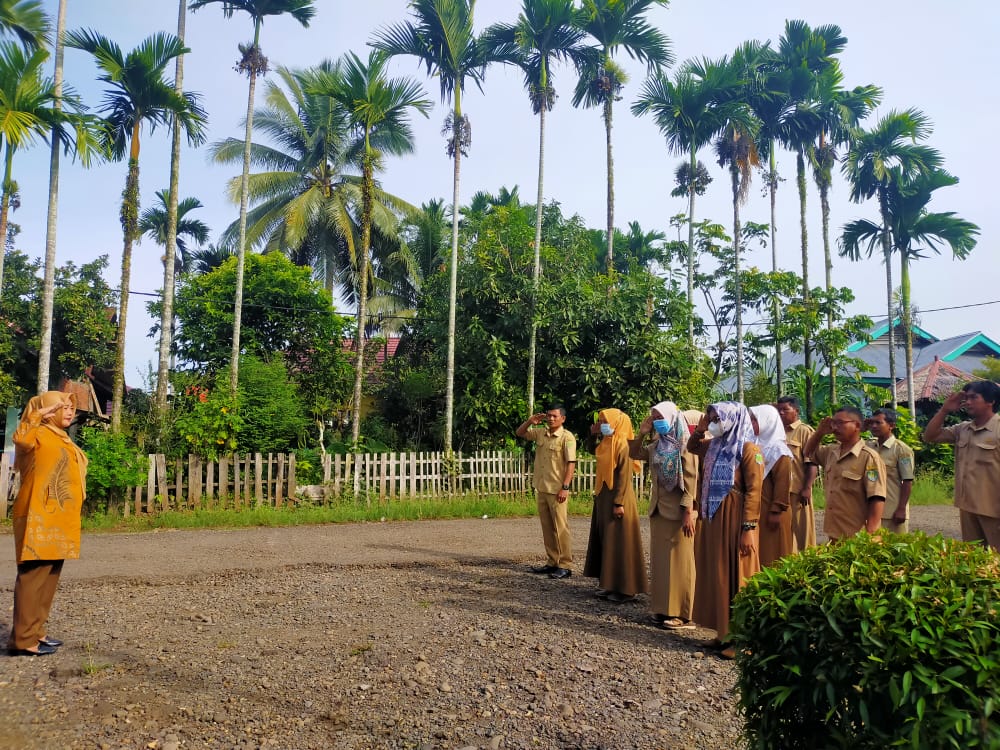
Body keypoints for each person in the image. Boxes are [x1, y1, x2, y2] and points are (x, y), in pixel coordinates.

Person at [7, 391, 87, 657]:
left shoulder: (59, 436)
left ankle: (36, 631)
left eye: (71, 407)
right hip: (38, 516)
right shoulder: (36, 432)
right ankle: (22, 640)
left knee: (50, 576)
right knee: (33, 575)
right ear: (48, 410)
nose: (70, 411)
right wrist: (37, 414)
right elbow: (20, 440)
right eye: (63, 407)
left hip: (58, 517)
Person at [687, 402, 762, 659]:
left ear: (733, 419)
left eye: (718, 419)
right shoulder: (714, 445)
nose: (714, 423)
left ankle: (741, 640)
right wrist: (700, 428)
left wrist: (748, 528)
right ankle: (722, 632)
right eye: (712, 418)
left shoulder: (748, 449)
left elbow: (754, 492)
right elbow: (692, 447)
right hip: (714, 516)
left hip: (735, 517)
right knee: (717, 572)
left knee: (736, 574)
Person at [630, 402, 697, 630]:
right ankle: (663, 609)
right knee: (661, 563)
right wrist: (642, 433)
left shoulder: (684, 445)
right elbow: (634, 453)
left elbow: (691, 480)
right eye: (654, 417)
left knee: (680, 563)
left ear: (671, 418)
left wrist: (688, 511)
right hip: (659, 510)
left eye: (660, 417)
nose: (657, 420)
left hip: (679, 513)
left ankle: (683, 614)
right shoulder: (657, 444)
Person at [922, 381, 1000, 550]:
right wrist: (944, 410)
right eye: (966, 398)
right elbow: (930, 436)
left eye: (974, 397)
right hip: (967, 508)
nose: (968, 402)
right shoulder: (963, 429)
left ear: (991, 401)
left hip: (994, 509)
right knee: (973, 557)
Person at [584, 408, 648, 603]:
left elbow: (623, 477)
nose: (602, 424)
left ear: (617, 423)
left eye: (605, 421)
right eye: (601, 421)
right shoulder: (607, 442)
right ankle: (610, 584)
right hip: (604, 496)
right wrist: (592, 435)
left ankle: (626, 589)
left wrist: (618, 503)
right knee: (607, 540)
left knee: (621, 542)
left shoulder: (623, 444)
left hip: (618, 498)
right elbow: (592, 450)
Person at [804, 406, 887, 541]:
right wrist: (819, 433)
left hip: (858, 536)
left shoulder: (868, 457)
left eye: (840, 423)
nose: (835, 428)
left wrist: (870, 533)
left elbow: (877, 497)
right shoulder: (831, 452)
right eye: (833, 423)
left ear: (857, 426)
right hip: (835, 533)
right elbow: (808, 452)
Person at [515, 405, 577, 579]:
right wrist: (530, 421)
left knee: (561, 528)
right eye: (549, 416)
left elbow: (571, 464)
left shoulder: (567, 437)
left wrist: (565, 487)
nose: (551, 419)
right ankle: (552, 561)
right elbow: (520, 433)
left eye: (555, 416)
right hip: (542, 487)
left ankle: (565, 565)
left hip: (557, 490)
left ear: (563, 419)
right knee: (547, 527)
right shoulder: (541, 433)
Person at [749, 404, 794, 566]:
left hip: (772, 510)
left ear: (767, 421)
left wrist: (776, 510)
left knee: (774, 552)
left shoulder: (779, 450)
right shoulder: (754, 444)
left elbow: (783, 483)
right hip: (759, 509)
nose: (751, 423)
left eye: (755, 420)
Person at [776, 396, 819, 552]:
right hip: (780, 491)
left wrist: (807, 488)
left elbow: (812, 462)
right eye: (779, 410)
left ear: (796, 411)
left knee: (803, 534)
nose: (781, 413)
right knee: (784, 535)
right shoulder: (777, 432)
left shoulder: (804, 431)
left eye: (785, 409)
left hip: (798, 490)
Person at [865, 408, 915, 533]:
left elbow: (907, 481)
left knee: (896, 544)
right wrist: (861, 429)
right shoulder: (868, 446)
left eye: (878, 423)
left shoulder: (901, 450)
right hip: (870, 510)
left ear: (891, 425)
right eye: (872, 423)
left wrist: (901, 509)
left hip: (891, 511)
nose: (874, 426)